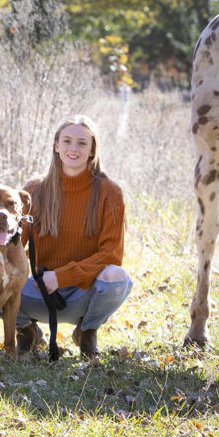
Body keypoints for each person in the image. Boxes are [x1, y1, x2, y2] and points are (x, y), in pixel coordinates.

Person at [16, 115, 133, 357]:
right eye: (67, 141)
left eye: (82, 143)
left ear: (92, 151)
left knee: (117, 277)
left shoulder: (109, 192)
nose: (73, 148)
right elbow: (11, 244)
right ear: (56, 146)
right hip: (39, 292)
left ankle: (87, 332)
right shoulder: (34, 190)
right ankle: (27, 330)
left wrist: (60, 277)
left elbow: (110, 255)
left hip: (85, 294)